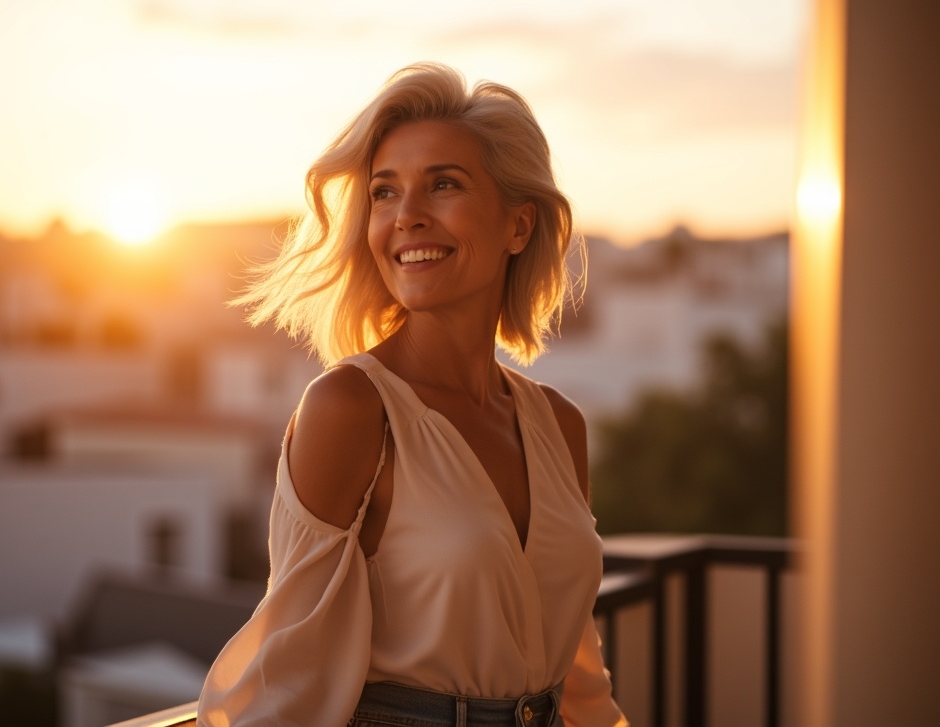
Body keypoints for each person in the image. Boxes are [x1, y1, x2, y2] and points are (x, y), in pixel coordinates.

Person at [197, 63, 629, 727]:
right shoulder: (350, 411)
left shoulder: (559, 424)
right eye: (385, 192)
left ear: (518, 225)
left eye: (444, 185)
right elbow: (290, 680)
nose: (408, 218)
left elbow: (578, 672)